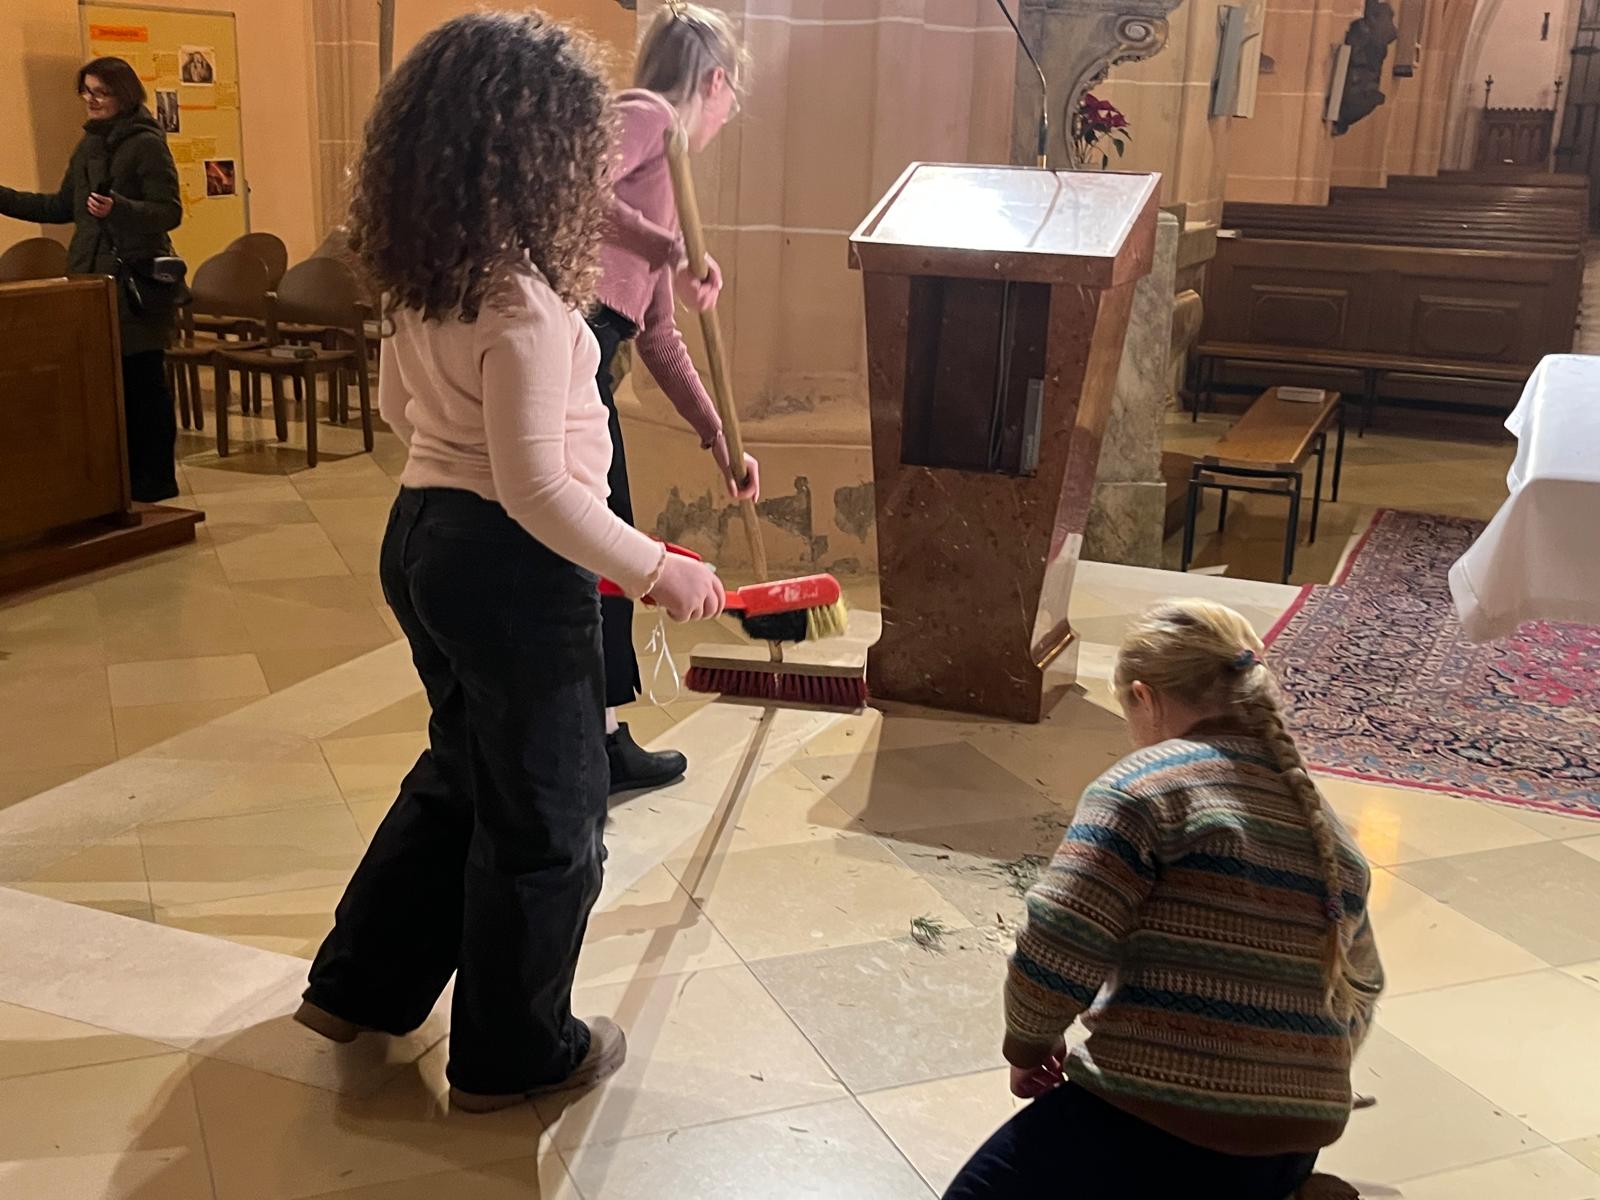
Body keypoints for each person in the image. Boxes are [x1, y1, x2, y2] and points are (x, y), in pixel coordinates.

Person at [291, 12, 725, 1112]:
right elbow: (537, 491)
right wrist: (657, 567)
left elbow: (401, 413)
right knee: (551, 815)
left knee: (463, 773)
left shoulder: (433, 278)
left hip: (422, 537)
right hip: (509, 566)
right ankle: (515, 1051)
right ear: (536, 150)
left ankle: (360, 984)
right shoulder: (524, 302)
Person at [945, 600, 1384, 1198]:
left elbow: (1061, 936)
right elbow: (1360, 989)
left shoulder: (1143, 788)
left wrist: (1029, 1043)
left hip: (1154, 1119)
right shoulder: (1328, 833)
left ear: (1145, 698)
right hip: (1290, 1145)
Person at [591, 2, 759, 793]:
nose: (727, 112)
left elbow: (658, 335)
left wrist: (720, 437)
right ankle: (589, 741)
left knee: (607, 547)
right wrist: (674, 247)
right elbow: (569, 190)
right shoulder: (645, 114)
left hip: (596, 362)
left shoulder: (667, 173)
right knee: (599, 547)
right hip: (565, 351)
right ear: (715, 82)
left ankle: (601, 735)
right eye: (732, 96)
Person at [0, 56, 181, 502]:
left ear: (124, 94)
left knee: (142, 384)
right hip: (89, 281)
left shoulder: (146, 144)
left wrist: (120, 208)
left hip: (134, 284)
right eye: (86, 91)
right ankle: (117, 477)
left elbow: (168, 211)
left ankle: (156, 478)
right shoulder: (88, 146)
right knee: (102, 386)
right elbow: (60, 207)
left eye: (100, 92)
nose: (91, 100)